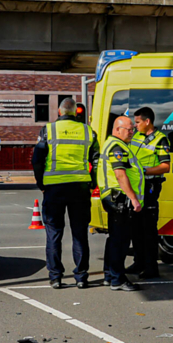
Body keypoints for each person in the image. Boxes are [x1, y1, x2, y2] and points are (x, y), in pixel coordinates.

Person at [31, 97, 101, 290]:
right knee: (79, 234)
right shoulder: (88, 132)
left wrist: (41, 183)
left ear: (60, 112)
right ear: (75, 112)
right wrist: (92, 182)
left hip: (54, 188)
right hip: (79, 188)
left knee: (54, 233)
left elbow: (37, 159)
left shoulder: (48, 130)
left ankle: (55, 277)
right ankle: (81, 277)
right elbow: (96, 160)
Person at [99, 116, 144, 292]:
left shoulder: (114, 144)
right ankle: (117, 279)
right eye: (129, 129)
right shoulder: (117, 147)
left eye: (132, 128)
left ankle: (109, 275)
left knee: (114, 239)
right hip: (119, 199)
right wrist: (133, 198)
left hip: (114, 197)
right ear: (117, 129)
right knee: (120, 241)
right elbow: (120, 175)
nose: (132, 132)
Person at [128, 107, 171, 279]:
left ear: (147, 122)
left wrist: (143, 171)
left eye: (138, 122)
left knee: (149, 229)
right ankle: (138, 262)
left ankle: (151, 267)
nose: (135, 125)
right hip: (136, 187)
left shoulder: (161, 140)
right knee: (136, 228)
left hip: (149, 186)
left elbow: (165, 166)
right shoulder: (136, 136)